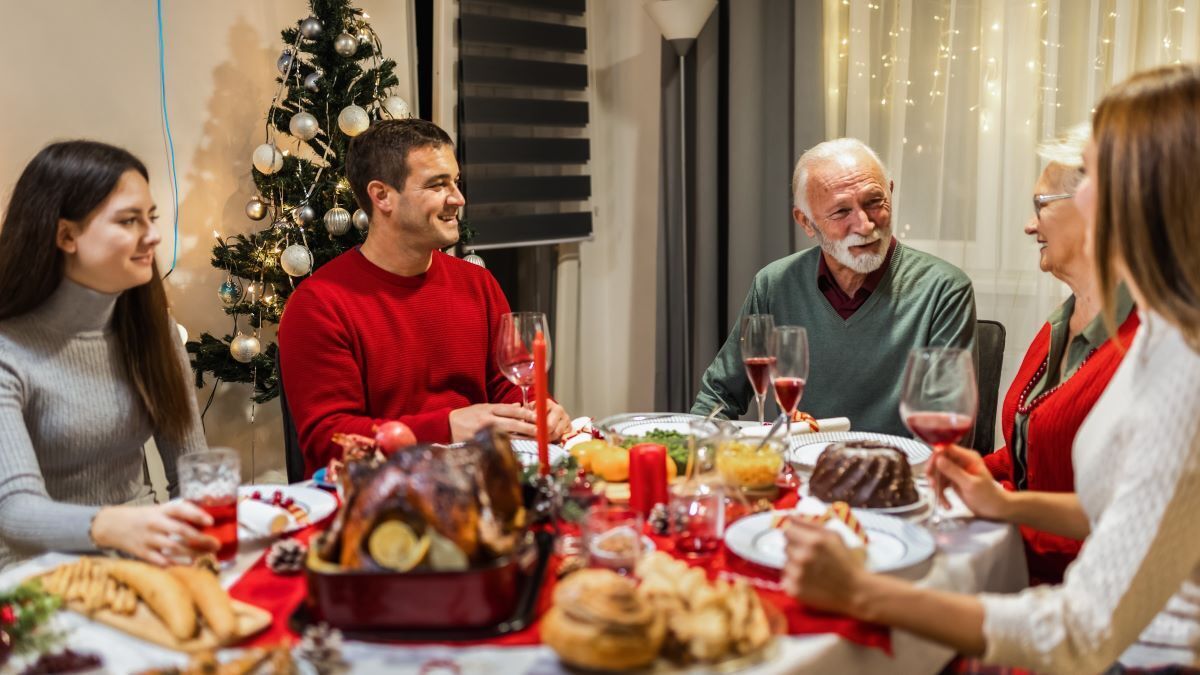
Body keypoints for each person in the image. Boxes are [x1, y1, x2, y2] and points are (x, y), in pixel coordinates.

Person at [782, 63, 1200, 672]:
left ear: (1141, 195)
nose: (1068, 199)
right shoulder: (1165, 333)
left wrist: (861, 591)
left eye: (1093, 176)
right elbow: (1134, 505)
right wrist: (1007, 504)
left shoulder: (1183, 366)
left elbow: (1079, 633)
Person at [278, 119, 571, 476]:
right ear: (381, 195)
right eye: (437, 185)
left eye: (456, 182)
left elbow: (510, 387)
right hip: (384, 502)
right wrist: (446, 427)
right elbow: (330, 441)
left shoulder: (478, 283)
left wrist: (542, 408)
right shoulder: (319, 304)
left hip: (480, 484)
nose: (458, 199)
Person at [0, 140, 217, 570]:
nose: (153, 235)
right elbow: (15, 510)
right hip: (35, 575)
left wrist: (197, 547)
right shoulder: (10, 348)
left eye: (150, 218)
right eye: (129, 221)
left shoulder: (153, 329)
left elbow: (193, 470)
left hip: (144, 556)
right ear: (66, 235)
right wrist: (111, 527)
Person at [692, 138, 976, 436]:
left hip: (897, 477)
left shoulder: (944, 290)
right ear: (806, 221)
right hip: (797, 473)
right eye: (841, 212)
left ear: (890, 193)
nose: (865, 225)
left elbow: (948, 437)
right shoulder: (774, 285)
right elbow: (717, 398)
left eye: (874, 202)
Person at [982, 124, 1139, 586]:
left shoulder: (1144, 345)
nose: (1030, 225)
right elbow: (1024, 459)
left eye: (1040, 206)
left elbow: (1123, 527)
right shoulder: (1058, 323)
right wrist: (962, 468)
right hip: (1018, 569)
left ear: (1096, 210)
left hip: (1080, 597)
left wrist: (1001, 517)